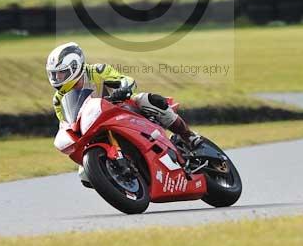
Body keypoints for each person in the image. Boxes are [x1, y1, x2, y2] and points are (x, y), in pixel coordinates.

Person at [46, 42, 200, 186]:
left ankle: (189, 137)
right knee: (86, 176)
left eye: (62, 73)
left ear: (75, 67)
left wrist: (123, 88)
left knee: (146, 100)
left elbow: (124, 80)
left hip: (121, 110)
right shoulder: (58, 100)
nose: (57, 78)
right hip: (94, 129)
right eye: (54, 74)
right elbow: (67, 123)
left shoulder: (97, 71)